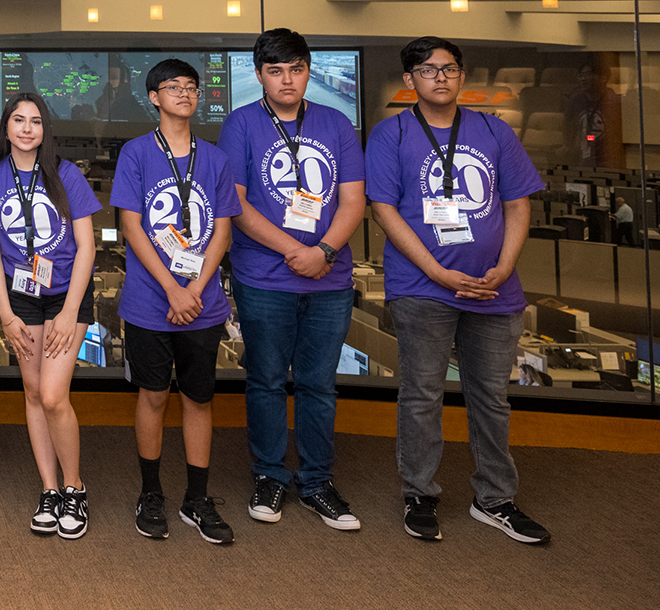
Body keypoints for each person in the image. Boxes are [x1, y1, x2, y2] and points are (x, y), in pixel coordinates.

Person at [365, 37, 550, 544]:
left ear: (461, 76)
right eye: (428, 70)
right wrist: (437, 272)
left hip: (494, 290)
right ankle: (419, 493)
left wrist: (505, 265)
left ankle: (495, 499)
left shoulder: (494, 130)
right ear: (410, 81)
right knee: (421, 395)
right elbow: (384, 211)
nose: (440, 77)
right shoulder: (391, 134)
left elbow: (517, 204)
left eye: (449, 69)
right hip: (422, 288)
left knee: (491, 398)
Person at [219, 28, 367, 531]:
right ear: (259, 75)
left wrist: (323, 251)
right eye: (276, 71)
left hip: (329, 278)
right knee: (264, 380)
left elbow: (353, 200)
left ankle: (317, 481)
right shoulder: (241, 124)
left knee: (318, 385)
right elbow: (235, 204)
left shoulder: (336, 122)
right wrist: (296, 251)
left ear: (308, 70)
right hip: (265, 277)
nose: (288, 80)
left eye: (297, 69)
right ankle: (269, 475)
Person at [110, 58, 240, 544]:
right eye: (173, 87)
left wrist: (196, 290)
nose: (184, 93)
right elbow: (131, 226)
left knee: (199, 399)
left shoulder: (215, 158)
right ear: (154, 98)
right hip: (151, 301)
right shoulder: (137, 154)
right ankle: (151, 493)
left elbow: (222, 228)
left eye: (191, 87)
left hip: (202, 302)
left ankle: (197, 498)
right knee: (153, 396)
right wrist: (172, 289)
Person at [0, 91, 101, 538]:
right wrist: (5, 313)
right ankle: (49, 489)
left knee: (52, 395)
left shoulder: (66, 174)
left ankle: (75, 486)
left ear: (45, 129)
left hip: (66, 294)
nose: (27, 128)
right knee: (31, 392)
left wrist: (70, 313)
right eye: (18, 120)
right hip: (21, 297)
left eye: (36, 121)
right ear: (5, 127)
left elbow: (88, 246)